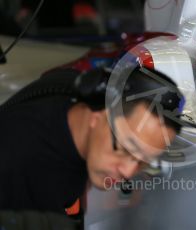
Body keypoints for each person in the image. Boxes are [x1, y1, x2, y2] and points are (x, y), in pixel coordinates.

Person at [0, 65, 183, 215]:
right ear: (98, 114)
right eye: (125, 149)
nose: (128, 172)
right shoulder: (24, 176)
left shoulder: (69, 88)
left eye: (143, 162)